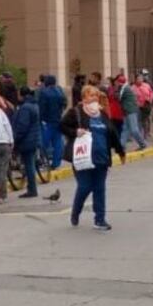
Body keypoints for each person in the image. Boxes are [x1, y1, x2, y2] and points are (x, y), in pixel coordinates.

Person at [60, 87, 126, 231]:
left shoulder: (102, 113)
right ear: (84, 98)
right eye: (91, 95)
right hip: (82, 158)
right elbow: (62, 126)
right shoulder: (76, 112)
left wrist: (120, 151)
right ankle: (76, 211)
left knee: (99, 189)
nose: (94, 97)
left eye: (96, 95)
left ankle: (100, 220)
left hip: (101, 158)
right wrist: (75, 132)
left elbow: (112, 133)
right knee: (85, 187)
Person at [12, 86, 41, 198]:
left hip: (27, 141)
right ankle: (32, 188)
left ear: (22, 95)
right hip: (33, 139)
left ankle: (32, 189)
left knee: (29, 166)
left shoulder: (25, 108)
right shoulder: (34, 105)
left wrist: (15, 139)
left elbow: (22, 126)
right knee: (30, 164)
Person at [37, 75, 67, 169]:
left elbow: (41, 108)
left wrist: (40, 118)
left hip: (47, 121)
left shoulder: (44, 92)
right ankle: (56, 163)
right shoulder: (60, 91)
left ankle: (42, 160)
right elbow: (64, 104)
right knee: (57, 142)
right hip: (58, 119)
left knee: (44, 142)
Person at [116, 75, 147, 150]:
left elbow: (118, 98)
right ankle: (122, 145)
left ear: (119, 82)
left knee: (134, 129)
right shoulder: (125, 87)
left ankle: (142, 144)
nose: (116, 83)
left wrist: (116, 91)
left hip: (131, 111)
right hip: (127, 111)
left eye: (117, 82)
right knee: (126, 129)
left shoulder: (125, 88)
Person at [134, 73, 153, 141]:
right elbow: (132, 98)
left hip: (146, 105)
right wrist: (137, 103)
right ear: (135, 80)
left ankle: (146, 134)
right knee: (139, 120)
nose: (140, 80)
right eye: (138, 79)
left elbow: (151, 92)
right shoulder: (133, 88)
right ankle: (140, 135)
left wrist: (150, 99)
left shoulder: (146, 85)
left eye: (141, 78)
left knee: (145, 120)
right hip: (138, 106)